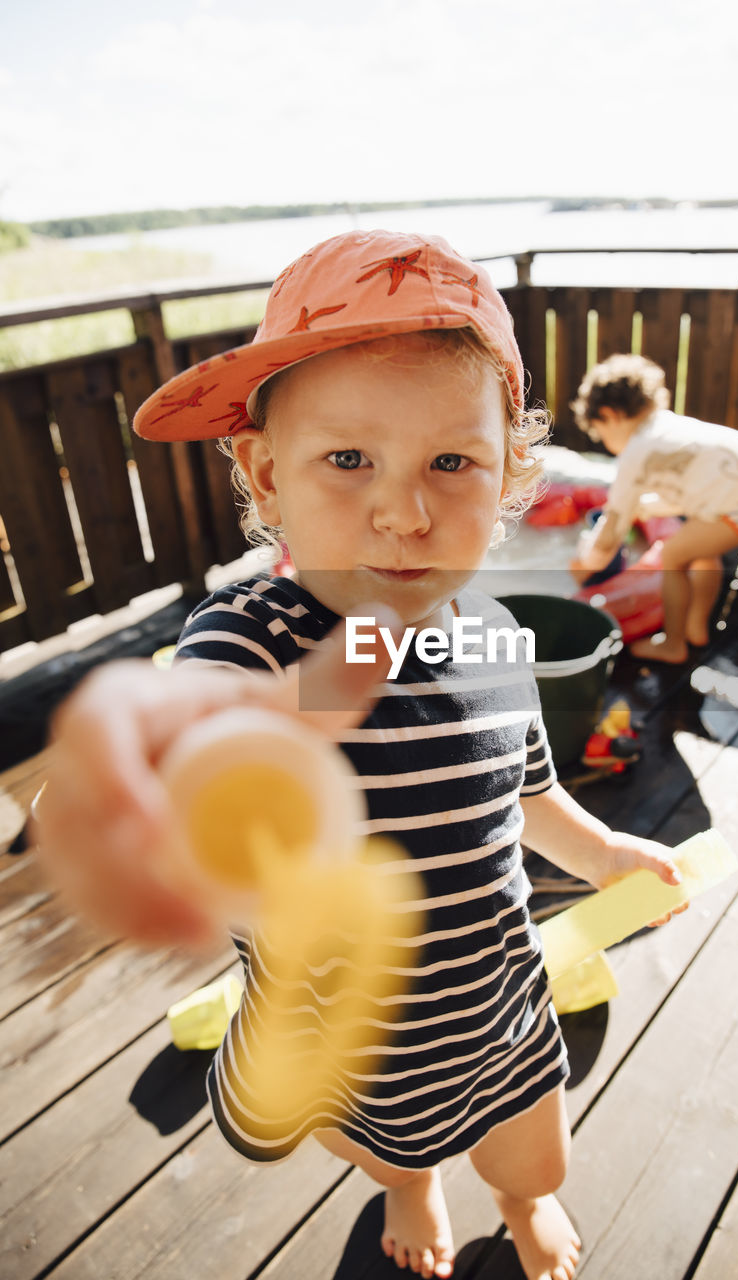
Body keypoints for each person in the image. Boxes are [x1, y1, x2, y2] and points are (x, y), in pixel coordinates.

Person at [36, 232, 685, 1280]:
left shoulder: (489, 634)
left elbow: (529, 796)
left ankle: (522, 1205)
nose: (403, 508)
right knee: (382, 1147)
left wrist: (605, 851)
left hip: (497, 1001)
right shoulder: (250, 635)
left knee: (535, 1153)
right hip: (355, 1032)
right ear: (267, 473)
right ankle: (415, 1184)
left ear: (509, 472)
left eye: (450, 462)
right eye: (348, 460)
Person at [569, 353, 738, 664]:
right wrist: (648, 508)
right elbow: (688, 491)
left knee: (674, 554)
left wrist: (586, 560)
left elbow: (610, 532)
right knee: (701, 550)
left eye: (601, 434)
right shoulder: (668, 427)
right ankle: (695, 628)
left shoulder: (637, 450)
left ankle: (673, 645)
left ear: (609, 415)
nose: (606, 444)